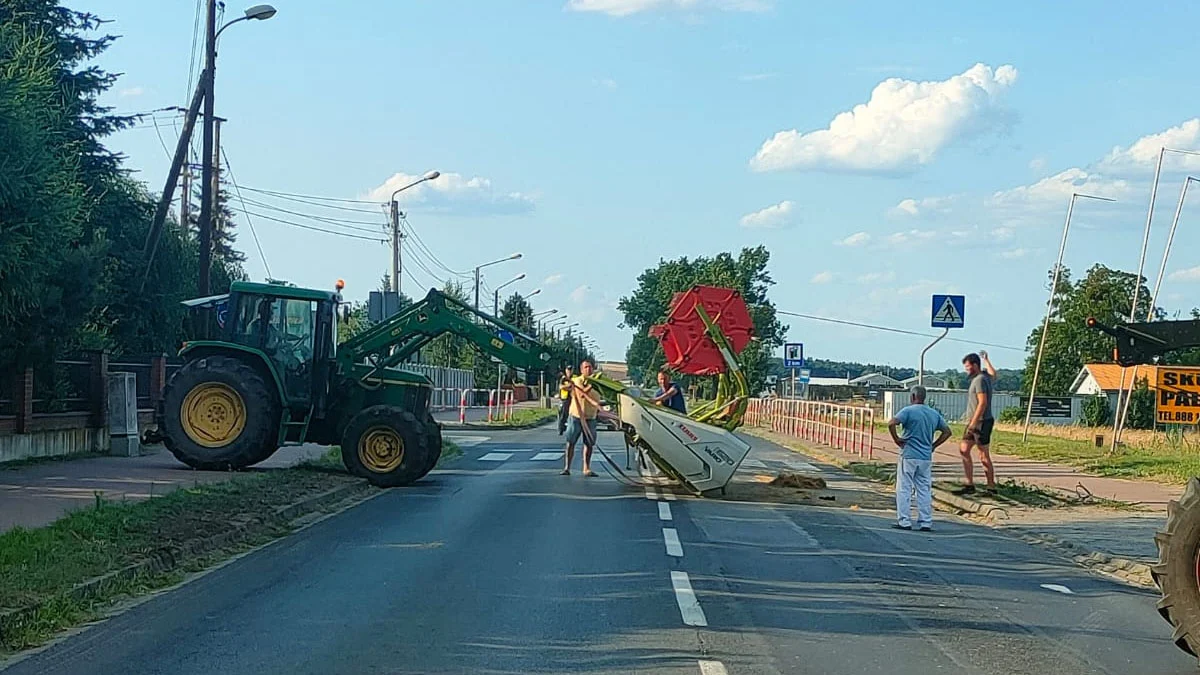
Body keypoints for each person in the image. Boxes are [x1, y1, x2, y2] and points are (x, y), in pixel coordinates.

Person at [887, 385, 952, 531]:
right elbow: (947, 432)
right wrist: (934, 445)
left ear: (913, 397)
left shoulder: (908, 411)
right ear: (924, 397)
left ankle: (904, 521)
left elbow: (892, 423)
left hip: (909, 454)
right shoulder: (933, 414)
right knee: (924, 489)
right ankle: (925, 521)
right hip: (925, 457)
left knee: (904, 488)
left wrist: (897, 439)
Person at [958, 351, 997, 494]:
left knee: (983, 454)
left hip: (981, 422)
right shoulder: (985, 376)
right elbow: (994, 374)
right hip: (973, 421)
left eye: (968, 367)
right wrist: (987, 360)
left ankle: (991, 486)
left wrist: (973, 423)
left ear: (975, 365)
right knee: (964, 449)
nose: (966, 369)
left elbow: (983, 402)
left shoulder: (980, 380)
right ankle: (969, 485)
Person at [563, 360, 602, 477]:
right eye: (585, 367)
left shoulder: (598, 383)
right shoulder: (577, 381)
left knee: (589, 444)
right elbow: (581, 393)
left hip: (591, 417)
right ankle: (567, 467)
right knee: (571, 442)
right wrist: (592, 385)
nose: (588, 370)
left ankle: (586, 468)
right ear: (581, 370)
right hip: (576, 416)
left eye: (590, 367)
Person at [557, 366, 574, 435]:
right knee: (562, 415)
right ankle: (560, 429)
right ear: (566, 370)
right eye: (568, 370)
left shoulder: (574, 378)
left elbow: (574, 386)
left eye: (570, 370)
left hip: (573, 399)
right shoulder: (563, 379)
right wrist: (569, 387)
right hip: (564, 399)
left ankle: (571, 429)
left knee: (572, 415)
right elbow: (561, 387)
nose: (569, 371)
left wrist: (568, 387)